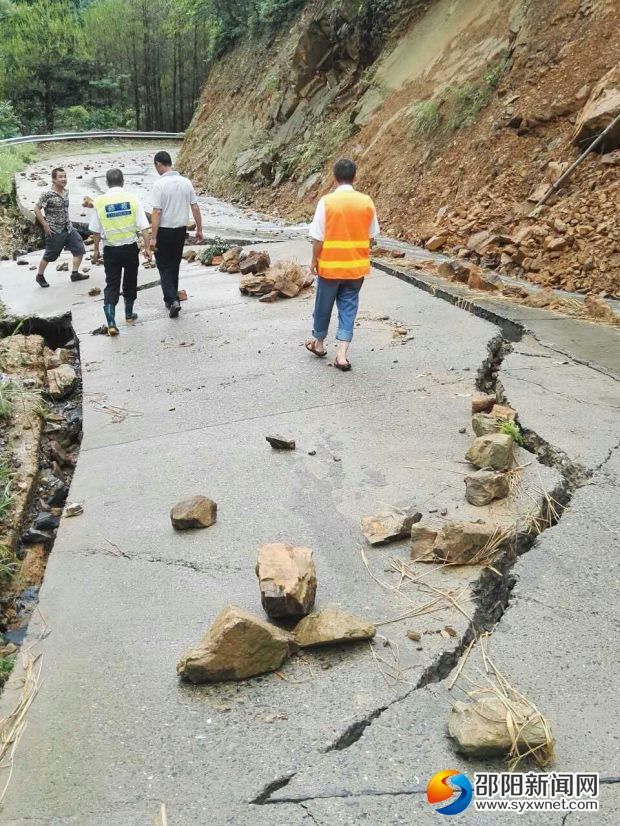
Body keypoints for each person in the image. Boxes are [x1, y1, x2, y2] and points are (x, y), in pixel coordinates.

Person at [306, 158, 379, 371]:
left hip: (330, 267)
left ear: (334, 178)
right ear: (354, 177)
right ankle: (342, 355)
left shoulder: (326, 202)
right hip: (355, 268)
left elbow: (317, 237)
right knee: (349, 308)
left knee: (323, 306)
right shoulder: (366, 201)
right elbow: (372, 236)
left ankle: (318, 343)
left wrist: (313, 262)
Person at [88, 168, 151, 336]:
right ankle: (129, 314)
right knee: (130, 281)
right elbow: (144, 226)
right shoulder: (132, 199)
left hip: (110, 250)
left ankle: (111, 323)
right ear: (123, 182)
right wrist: (147, 248)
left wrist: (95, 250)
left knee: (112, 285)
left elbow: (95, 231)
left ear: (107, 183)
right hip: (129, 248)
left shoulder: (100, 202)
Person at [150, 150, 203, 318]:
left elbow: (157, 212)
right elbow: (195, 207)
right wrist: (199, 229)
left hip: (164, 231)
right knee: (174, 264)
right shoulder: (186, 182)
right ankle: (172, 300)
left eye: (156, 166)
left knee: (164, 266)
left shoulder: (159, 185)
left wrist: (153, 237)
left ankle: (172, 300)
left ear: (159, 164)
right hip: (180, 231)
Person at [33, 167, 89, 288]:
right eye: (60, 177)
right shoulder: (47, 195)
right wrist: (45, 224)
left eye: (65, 176)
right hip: (54, 231)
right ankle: (40, 276)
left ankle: (75, 274)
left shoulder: (65, 192)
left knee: (79, 248)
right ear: (54, 179)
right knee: (50, 255)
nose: (63, 179)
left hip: (68, 228)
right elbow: (36, 208)